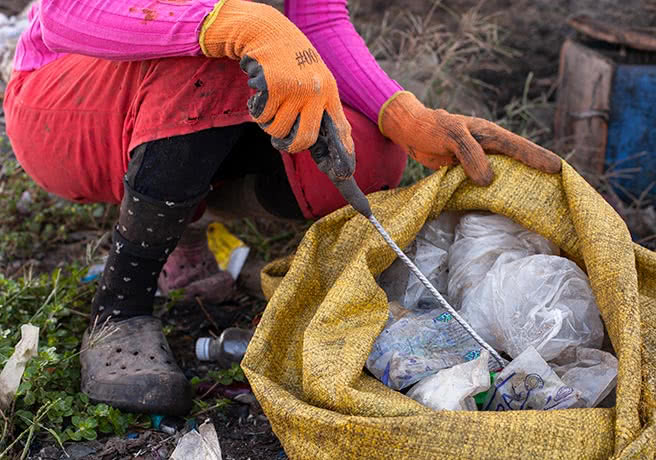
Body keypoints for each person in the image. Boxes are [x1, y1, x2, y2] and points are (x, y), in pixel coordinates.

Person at [3, 0, 562, 415]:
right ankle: (118, 312)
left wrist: (400, 114)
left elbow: (317, 21)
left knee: (364, 146)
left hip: (190, 96)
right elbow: (64, 14)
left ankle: (190, 218)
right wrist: (235, 23)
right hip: (68, 104)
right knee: (218, 51)